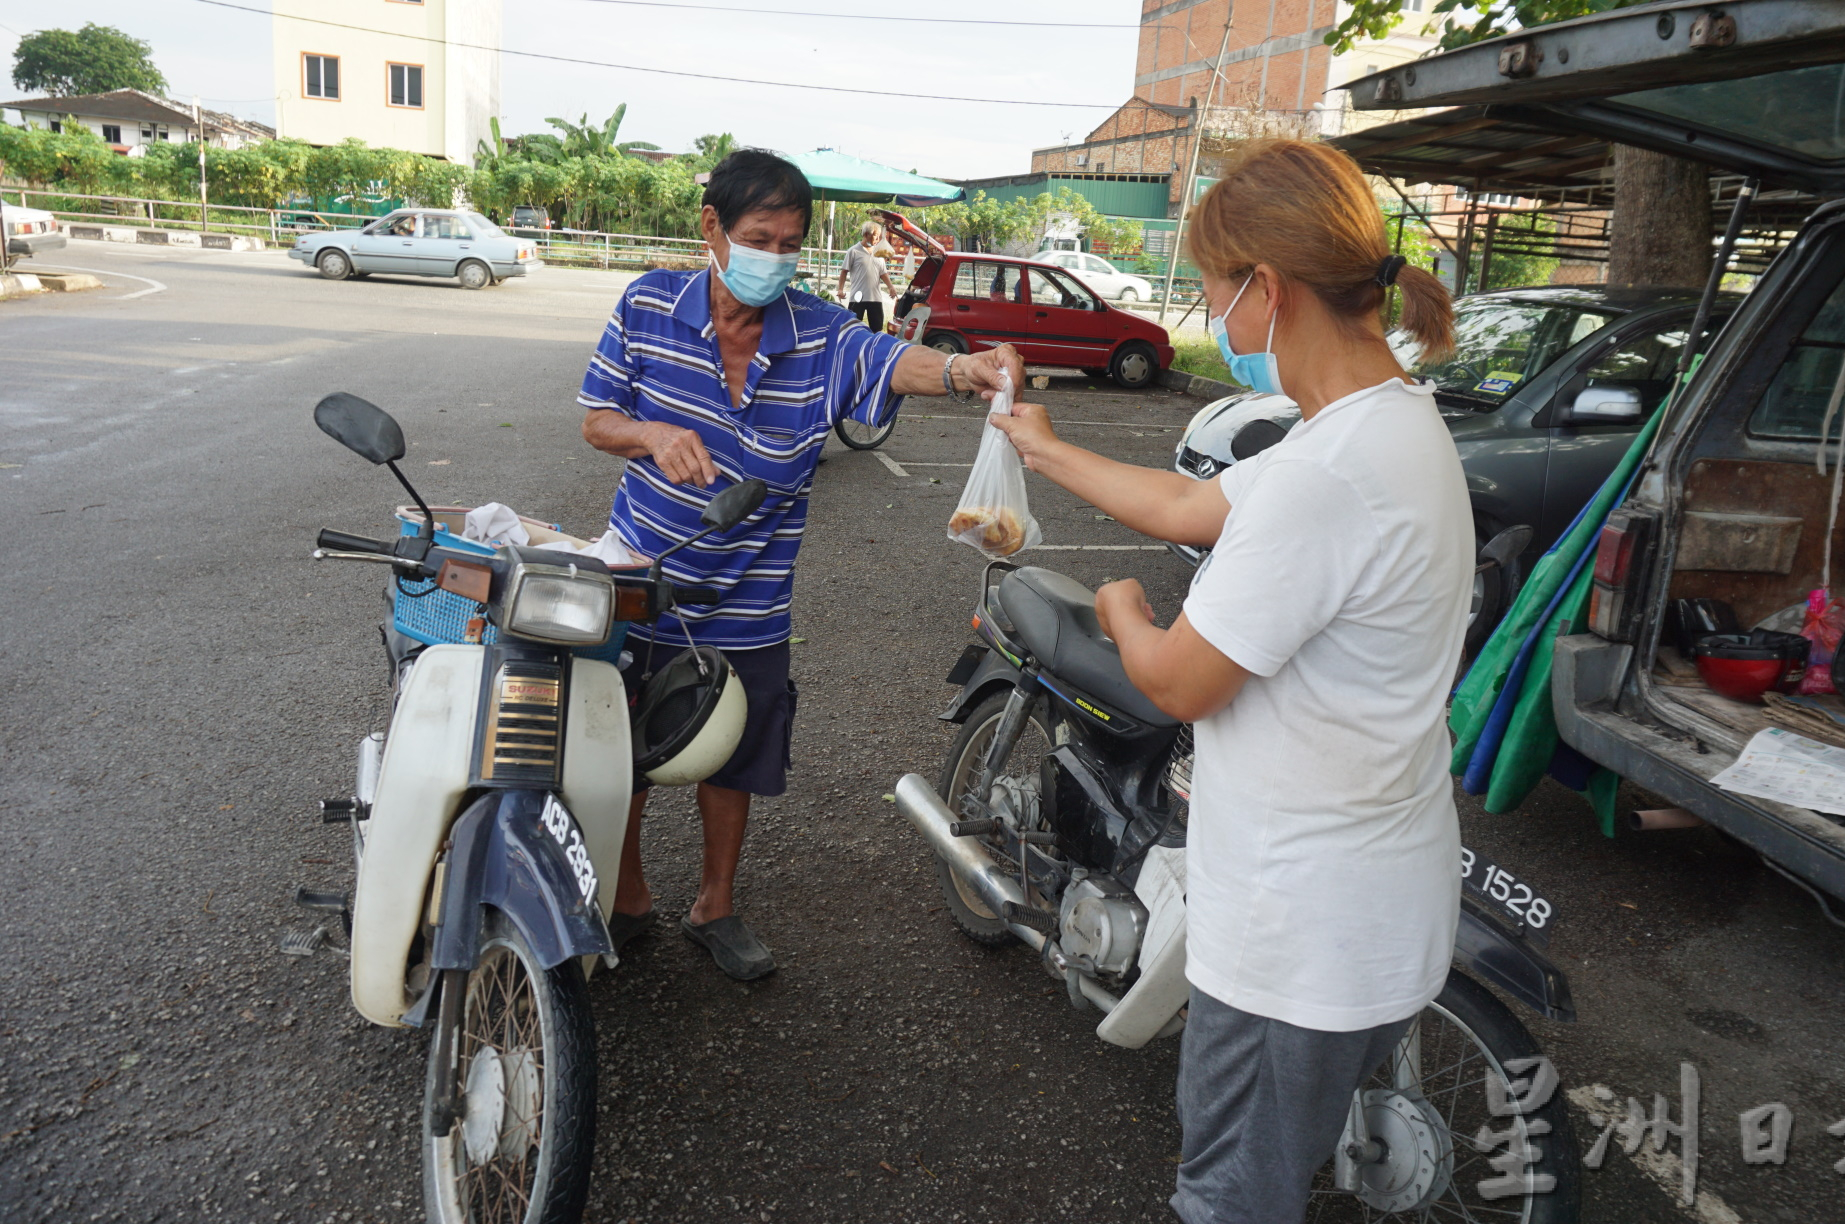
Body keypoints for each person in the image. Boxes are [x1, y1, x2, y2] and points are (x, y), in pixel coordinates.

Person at [990, 138, 1468, 1223]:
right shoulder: (1387, 423)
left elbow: (1176, 683)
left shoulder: (1324, 474)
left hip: (1298, 933)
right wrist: (1042, 447)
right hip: (1375, 897)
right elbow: (1186, 505)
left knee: (1231, 1200)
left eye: (1213, 286)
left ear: (1268, 287)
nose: (1210, 311)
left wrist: (1121, 607)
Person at [579, 149, 1023, 981]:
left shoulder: (817, 331)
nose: (774, 260)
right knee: (619, 748)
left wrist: (964, 369)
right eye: (758, 239)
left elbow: (889, 363)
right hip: (643, 577)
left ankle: (715, 904)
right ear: (712, 228)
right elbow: (598, 418)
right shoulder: (646, 304)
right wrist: (651, 434)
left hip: (752, 598)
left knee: (734, 752)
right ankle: (629, 896)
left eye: (790, 245)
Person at [835, 220, 895, 333]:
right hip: (857, 296)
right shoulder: (853, 251)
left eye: (879, 237)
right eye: (876, 236)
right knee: (852, 328)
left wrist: (891, 287)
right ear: (866, 234)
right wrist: (840, 289)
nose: (878, 239)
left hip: (875, 297)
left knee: (877, 330)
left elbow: (883, 273)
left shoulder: (879, 252)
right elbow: (844, 271)